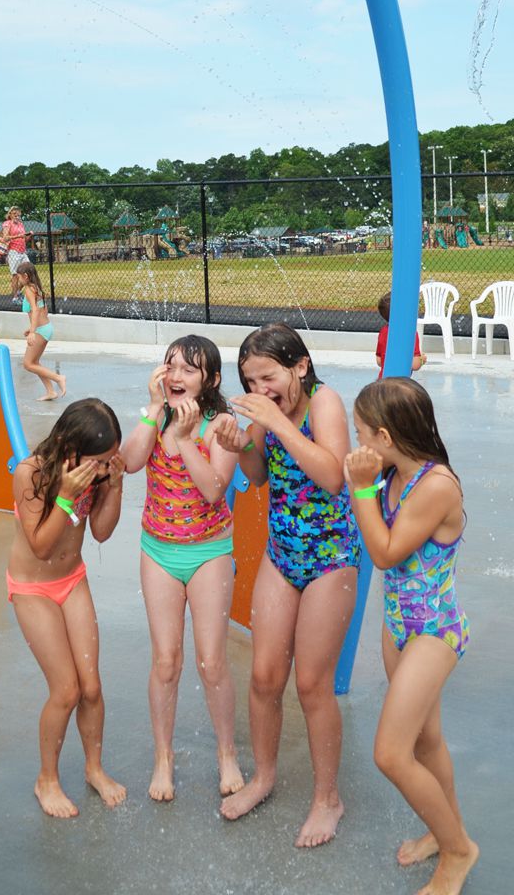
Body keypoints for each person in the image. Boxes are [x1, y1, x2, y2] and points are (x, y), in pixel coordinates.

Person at [216, 323, 358, 848]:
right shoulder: (262, 407)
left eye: (268, 376)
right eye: (250, 380)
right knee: (264, 676)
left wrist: (277, 421)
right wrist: (240, 444)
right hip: (283, 554)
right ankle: (263, 777)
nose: (260, 389)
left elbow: (333, 475)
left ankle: (328, 800)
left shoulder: (325, 403)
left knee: (312, 684)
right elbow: (257, 476)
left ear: (300, 366)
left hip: (330, 557)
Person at [345, 377, 478, 895]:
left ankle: (459, 851)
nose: (357, 445)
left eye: (361, 434)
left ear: (384, 435)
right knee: (426, 741)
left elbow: (384, 553)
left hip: (435, 632)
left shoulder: (437, 484)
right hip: (398, 624)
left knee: (390, 754)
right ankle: (445, 828)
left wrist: (360, 489)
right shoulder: (393, 471)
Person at [121, 336, 244, 804]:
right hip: (159, 551)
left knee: (211, 663)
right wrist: (154, 411)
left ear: (210, 380)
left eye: (188, 369)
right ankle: (163, 757)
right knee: (166, 661)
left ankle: (227, 753)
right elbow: (131, 462)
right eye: (170, 365)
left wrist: (188, 439)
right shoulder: (156, 416)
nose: (174, 375)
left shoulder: (220, 425)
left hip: (209, 551)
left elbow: (215, 490)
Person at [8, 398, 127, 817]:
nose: (100, 467)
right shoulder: (32, 473)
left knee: (91, 687)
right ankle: (47, 779)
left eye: (108, 460)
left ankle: (94, 768)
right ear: (66, 443)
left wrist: (113, 485)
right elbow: (40, 547)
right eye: (96, 461)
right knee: (66, 690)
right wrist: (65, 497)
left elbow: (101, 532)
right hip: (32, 588)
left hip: (72, 581)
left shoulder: (94, 475)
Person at [13, 261, 65, 400]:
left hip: (41, 330)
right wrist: (31, 328)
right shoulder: (36, 288)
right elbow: (44, 311)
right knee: (35, 363)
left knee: (28, 364)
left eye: (19, 277)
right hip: (45, 328)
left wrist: (33, 332)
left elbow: (35, 311)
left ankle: (58, 378)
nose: (18, 279)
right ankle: (50, 392)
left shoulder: (29, 290)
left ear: (25, 276)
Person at [376, 290, 427, 378]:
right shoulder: (410, 333)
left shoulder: (383, 331)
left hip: (383, 381)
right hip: (401, 384)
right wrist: (422, 359)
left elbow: (379, 361)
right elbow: (414, 365)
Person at [2, 206, 29, 280]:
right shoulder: (7, 223)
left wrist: (29, 235)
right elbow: (5, 238)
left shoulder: (21, 224)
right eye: (15, 214)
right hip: (13, 251)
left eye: (18, 215)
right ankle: (15, 291)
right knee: (15, 275)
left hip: (23, 251)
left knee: (29, 272)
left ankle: (18, 290)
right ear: (10, 214)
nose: (17, 216)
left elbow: (24, 239)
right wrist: (18, 236)